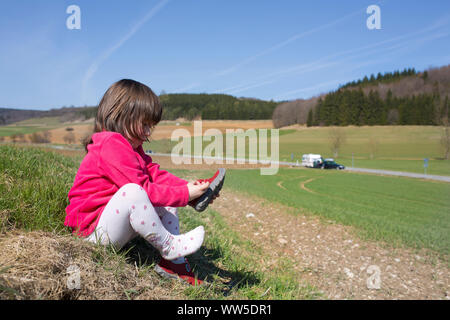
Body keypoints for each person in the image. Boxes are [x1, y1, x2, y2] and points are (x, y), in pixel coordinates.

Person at [64, 79, 218, 286]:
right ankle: (169, 246)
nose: (147, 133)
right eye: (144, 124)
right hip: (92, 235)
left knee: (164, 200)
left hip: (111, 228)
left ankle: (174, 264)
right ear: (120, 115)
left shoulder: (131, 148)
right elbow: (144, 189)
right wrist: (184, 195)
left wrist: (190, 189)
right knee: (133, 192)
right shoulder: (111, 144)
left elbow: (155, 174)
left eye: (150, 127)